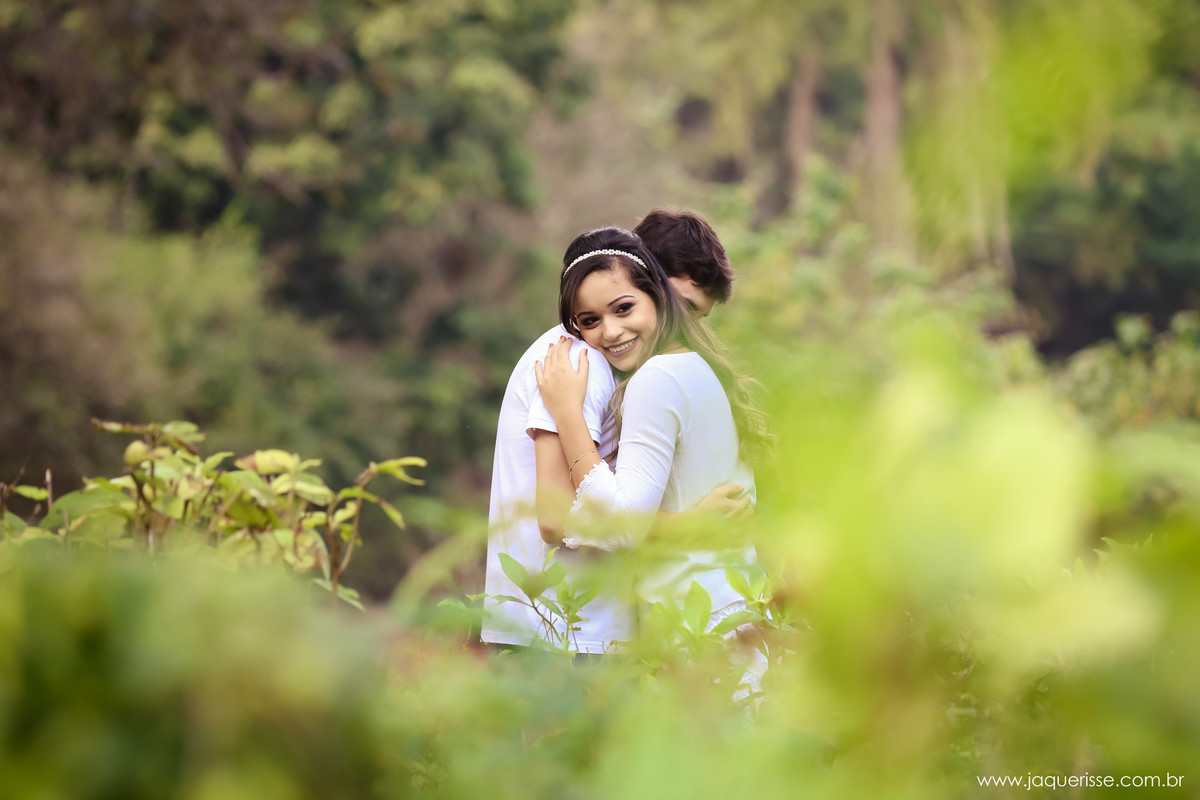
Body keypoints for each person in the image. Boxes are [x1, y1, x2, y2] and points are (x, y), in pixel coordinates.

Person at [481, 211, 745, 654]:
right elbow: (556, 518)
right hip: (564, 633)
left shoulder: (614, 364)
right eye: (683, 307)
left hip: (572, 627)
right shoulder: (579, 363)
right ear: (654, 286)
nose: (687, 326)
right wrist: (690, 526)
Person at [534, 226, 771, 636]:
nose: (610, 331)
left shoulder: (656, 378)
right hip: (725, 612)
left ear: (657, 294)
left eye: (624, 308)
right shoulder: (695, 368)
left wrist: (568, 414)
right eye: (590, 320)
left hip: (697, 624)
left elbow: (622, 526)